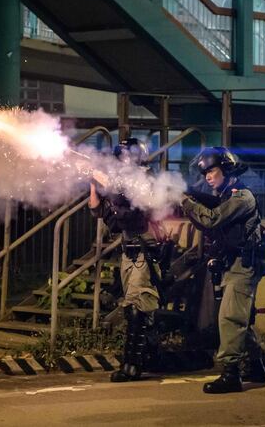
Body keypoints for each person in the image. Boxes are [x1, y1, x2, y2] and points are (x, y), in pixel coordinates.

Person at [181, 146, 265, 394]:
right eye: (206, 172)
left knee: (230, 318)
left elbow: (211, 218)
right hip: (233, 263)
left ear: (227, 169)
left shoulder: (241, 197)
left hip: (244, 265)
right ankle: (255, 365)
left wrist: (185, 202)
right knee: (238, 318)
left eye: (212, 170)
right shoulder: (225, 195)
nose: (208, 176)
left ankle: (231, 374)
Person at [89, 138, 159, 383]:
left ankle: (132, 365)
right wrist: (95, 183)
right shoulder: (120, 183)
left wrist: (111, 186)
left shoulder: (147, 178)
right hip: (129, 250)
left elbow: (137, 210)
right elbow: (98, 210)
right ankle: (147, 355)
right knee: (131, 307)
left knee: (139, 303)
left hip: (145, 249)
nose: (122, 161)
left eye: (127, 156)